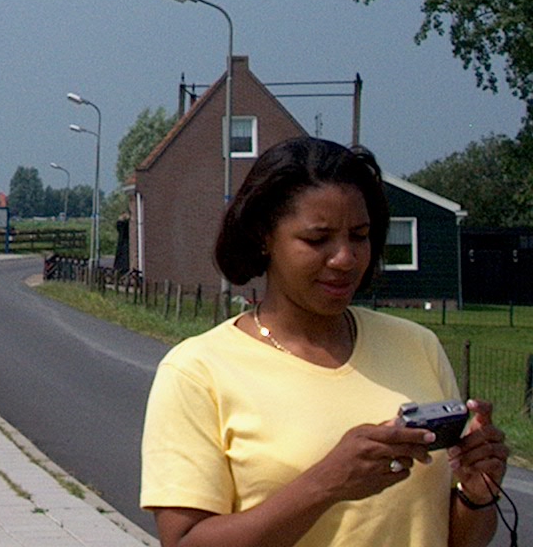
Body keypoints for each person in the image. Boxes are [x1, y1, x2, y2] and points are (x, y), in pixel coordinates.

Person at [140, 137, 508, 547]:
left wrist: (477, 493)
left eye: (360, 236)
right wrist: (326, 484)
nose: (345, 258)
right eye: (318, 240)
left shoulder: (417, 346)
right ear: (264, 237)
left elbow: (455, 538)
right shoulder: (197, 371)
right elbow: (184, 541)